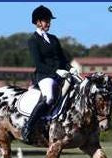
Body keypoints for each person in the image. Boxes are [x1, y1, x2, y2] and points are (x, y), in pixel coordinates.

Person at [21, 5, 78, 142]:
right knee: (50, 97)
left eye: (49, 21)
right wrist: (56, 71)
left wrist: (70, 68)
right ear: (38, 22)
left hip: (62, 73)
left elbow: (63, 58)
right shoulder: (33, 40)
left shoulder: (53, 38)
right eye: (46, 21)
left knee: (79, 90)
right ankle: (28, 127)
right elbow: (38, 63)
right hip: (44, 75)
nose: (49, 23)